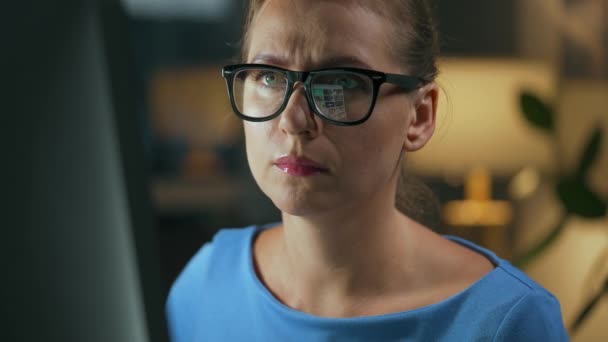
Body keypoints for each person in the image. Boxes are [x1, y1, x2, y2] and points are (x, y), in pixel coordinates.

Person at [166, 0, 569, 340]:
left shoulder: (505, 321)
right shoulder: (205, 282)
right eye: (269, 77)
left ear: (420, 117)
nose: (293, 119)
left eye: (340, 83)